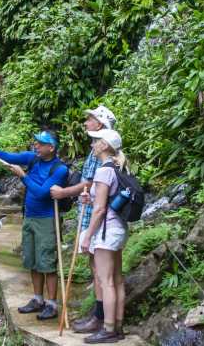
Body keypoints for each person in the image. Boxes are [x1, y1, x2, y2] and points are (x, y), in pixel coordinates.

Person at [0, 131, 68, 320]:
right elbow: (6, 156)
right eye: (35, 142)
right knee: (32, 260)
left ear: (51, 148)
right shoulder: (33, 158)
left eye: (40, 143)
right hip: (29, 217)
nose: (35, 145)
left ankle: (52, 304)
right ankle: (38, 299)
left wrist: (23, 176)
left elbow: (42, 193)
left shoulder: (59, 169)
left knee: (47, 262)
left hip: (47, 220)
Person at [48, 105, 116, 333]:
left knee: (99, 271)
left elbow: (92, 184)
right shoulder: (97, 149)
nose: (85, 123)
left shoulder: (102, 152)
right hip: (91, 213)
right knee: (96, 269)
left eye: (90, 119)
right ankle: (101, 317)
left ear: (100, 124)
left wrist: (65, 193)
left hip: (95, 218)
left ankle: (102, 321)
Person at [80, 128, 128, 343]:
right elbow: (106, 201)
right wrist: (89, 199)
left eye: (96, 141)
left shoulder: (103, 171)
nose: (92, 144)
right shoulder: (119, 166)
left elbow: (99, 211)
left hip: (107, 231)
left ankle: (108, 329)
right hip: (118, 227)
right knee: (117, 280)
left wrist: (87, 236)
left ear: (105, 145)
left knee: (105, 280)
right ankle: (117, 326)